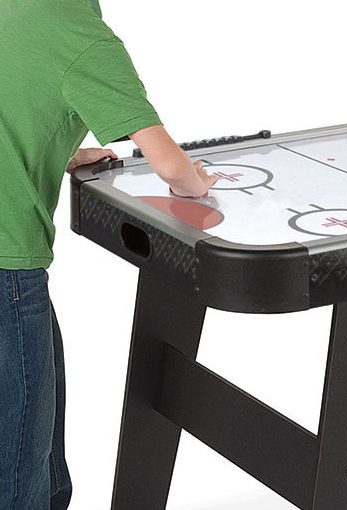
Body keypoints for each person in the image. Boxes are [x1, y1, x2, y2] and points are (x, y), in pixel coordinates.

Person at [0, 0, 219, 507]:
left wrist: (57, 150)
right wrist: (196, 179)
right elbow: (169, 164)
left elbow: (16, 98)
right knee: (19, 454)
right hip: (7, 264)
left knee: (38, 423)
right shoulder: (84, 38)